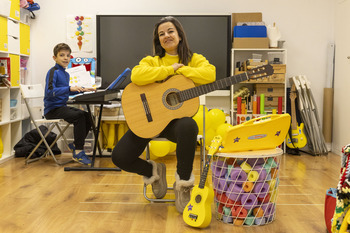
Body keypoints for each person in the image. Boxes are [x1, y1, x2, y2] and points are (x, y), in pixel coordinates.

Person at [111, 16, 216, 213]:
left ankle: (183, 183)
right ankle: (153, 171)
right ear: (158, 40)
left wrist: (183, 71)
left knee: (188, 125)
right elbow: (136, 75)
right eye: (161, 34)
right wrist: (169, 69)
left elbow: (210, 74)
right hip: (148, 120)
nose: (166, 36)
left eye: (170, 31)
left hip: (174, 125)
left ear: (179, 35)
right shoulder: (152, 61)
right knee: (119, 157)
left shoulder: (194, 59)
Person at [44, 43, 96, 165]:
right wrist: (69, 88)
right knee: (79, 117)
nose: (65, 58)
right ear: (54, 58)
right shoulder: (53, 72)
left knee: (88, 116)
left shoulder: (66, 74)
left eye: (68, 55)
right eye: (62, 55)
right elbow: (49, 92)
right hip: (52, 110)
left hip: (62, 107)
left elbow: (66, 91)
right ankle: (78, 152)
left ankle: (75, 145)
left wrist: (84, 89)